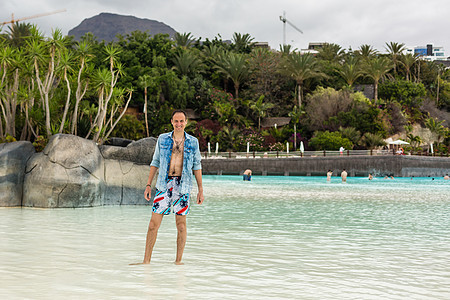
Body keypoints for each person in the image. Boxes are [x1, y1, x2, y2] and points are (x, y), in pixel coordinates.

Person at [140, 110, 204, 265]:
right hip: (164, 185)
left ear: (186, 122)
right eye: (176, 121)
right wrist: (148, 185)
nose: (179, 124)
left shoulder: (192, 142)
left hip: (183, 186)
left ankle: (178, 262)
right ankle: (146, 261)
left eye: (181, 121)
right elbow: (155, 162)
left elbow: (197, 166)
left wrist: (200, 189)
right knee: (152, 225)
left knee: (181, 226)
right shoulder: (162, 139)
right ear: (171, 122)